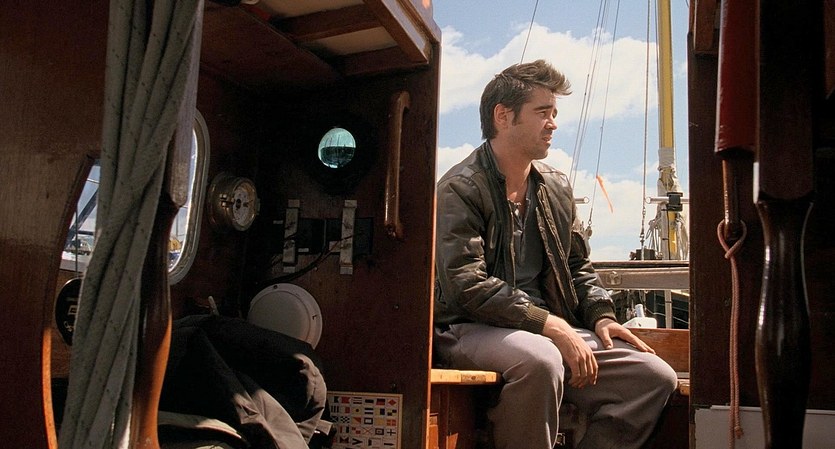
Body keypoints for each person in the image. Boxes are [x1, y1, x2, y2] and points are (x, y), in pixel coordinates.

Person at [433, 59, 678, 449]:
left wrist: (601, 315)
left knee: (652, 378)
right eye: (543, 112)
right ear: (503, 116)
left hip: (543, 328)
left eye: (555, 114)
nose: (553, 124)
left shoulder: (556, 187)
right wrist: (551, 325)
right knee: (541, 359)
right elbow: (465, 285)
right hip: (467, 327)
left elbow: (577, 264)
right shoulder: (460, 188)